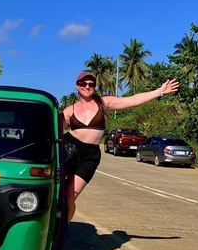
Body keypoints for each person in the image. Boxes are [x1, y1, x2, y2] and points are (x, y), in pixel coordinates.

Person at [62, 71, 179, 221]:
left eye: (91, 84)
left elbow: (133, 100)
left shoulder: (104, 103)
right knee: (56, 195)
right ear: (77, 86)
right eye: (83, 83)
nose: (87, 86)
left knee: (69, 197)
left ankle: (62, 233)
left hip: (89, 156)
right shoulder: (68, 110)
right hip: (70, 150)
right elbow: (52, 130)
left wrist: (159, 92)